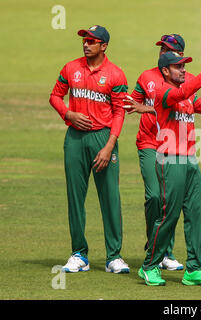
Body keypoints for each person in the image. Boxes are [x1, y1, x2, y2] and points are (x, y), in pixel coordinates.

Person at [125, 43, 201, 286]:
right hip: (170, 160)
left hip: (190, 161)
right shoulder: (164, 92)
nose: (183, 70)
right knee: (168, 216)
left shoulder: (187, 95)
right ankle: (149, 266)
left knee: (195, 213)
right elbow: (180, 94)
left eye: (184, 66)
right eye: (178, 67)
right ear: (164, 71)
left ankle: (194, 268)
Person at [49, 25, 130, 274]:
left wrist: (109, 146)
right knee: (75, 198)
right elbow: (55, 96)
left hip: (102, 138)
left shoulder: (116, 75)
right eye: (85, 39)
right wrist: (68, 113)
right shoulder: (71, 68)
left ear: (104, 46)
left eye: (92, 41)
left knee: (110, 198)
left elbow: (119, 112)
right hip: (75, 139)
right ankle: (78, 254)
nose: (86, 44)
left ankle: (114, 257)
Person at [127, 34, 194, 271]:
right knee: (155, 196)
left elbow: (185, 105)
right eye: (162, 48)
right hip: (148, 143)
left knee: (170, 199)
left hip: (172, 146)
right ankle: (155, 244)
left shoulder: (187, 79)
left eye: (169, 49)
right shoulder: (146, 76)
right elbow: (133, 102)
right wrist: (137, 106)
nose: (162, 51)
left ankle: (165, 252)